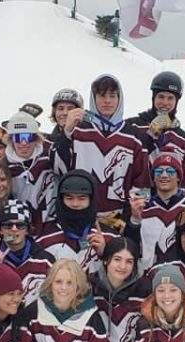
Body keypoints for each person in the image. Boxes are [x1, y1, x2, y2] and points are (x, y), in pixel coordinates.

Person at [54, 73, 149, 229]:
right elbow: (58, 169)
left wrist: (132, 213)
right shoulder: (78, 131)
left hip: (119, 220)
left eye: (112, 96)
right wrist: (66, 133)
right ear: (93, 98)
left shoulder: (133, 137)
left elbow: (142, 182)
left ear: (120, 99)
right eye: (101, 95)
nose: (107, 101)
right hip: (79, 217)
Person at [0, 200, 54, 305]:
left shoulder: (46, 260)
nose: (14, 229)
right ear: (0, 230)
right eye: (8, 225)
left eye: (20, 225)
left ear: (27, 229)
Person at [125, 152, 185, 271]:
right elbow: (129, 247)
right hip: (146, 279)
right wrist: (134, 221)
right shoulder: (142, 207)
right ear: (154, 177)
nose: (164, 175)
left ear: (179, 177)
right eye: (158, 172)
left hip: (180, 279)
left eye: (170, 172)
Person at [37, 172, 109, 275]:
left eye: (82, 198)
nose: (75, 204)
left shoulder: (109, 237)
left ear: (91, 199)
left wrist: (105, 254)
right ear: (61, 200)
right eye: (69, 198)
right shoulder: (44, 241)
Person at [130, 71, 185, 179]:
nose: (165, 102)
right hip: (135, 194)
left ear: (176, 101)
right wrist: (150, 136)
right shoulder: (133, 126)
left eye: (170, 98)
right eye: (161, 97)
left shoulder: (183, 140)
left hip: (166, 195)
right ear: (153, 98)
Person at [4, 112, 56, 237]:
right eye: (17, 138)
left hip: (51, 223)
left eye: (27, 137)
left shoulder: (51, 156)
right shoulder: (3, 166)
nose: (23, 143)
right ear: (11, 139)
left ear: (36, 138)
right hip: (19, 228)